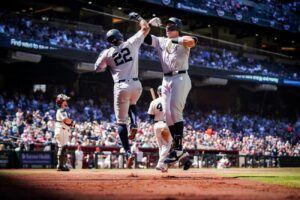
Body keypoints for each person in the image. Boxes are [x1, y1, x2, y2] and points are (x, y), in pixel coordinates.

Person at [94, 17, 150, 168]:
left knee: (120, 122)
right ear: (119, 36)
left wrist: (107, 64)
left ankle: (126, 152)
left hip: (121, 85)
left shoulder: (107, 52)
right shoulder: (131, 43)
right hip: (136, 84)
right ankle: (135, 123)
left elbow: (97, 68)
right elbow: (146, 28)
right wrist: (139, 18)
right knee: (133, 103)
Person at [144, 15, 197, 170]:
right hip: (166, 79)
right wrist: (147, 24)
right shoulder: (161, 40)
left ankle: (178, 148)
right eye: (167, 26)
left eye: (172, 26)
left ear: (177, 29)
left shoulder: (181, 39)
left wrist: (174, 40)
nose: (168, 28)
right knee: (167, 117)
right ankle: (179, 151)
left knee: (175, 111)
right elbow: (145, 38)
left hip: (180, 77)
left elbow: (192, 42)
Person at [148, 86, 172, 172]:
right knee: (166, 145)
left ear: (158, 93)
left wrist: (157, 114)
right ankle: (160, 163)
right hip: (166, 124)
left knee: (161, 147)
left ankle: (163, 167)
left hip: (156, 125)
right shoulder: (169, 101)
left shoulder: (153, 102)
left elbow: (150, 116)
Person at [54, 94, 74, 171]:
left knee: (63, 148)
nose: (66, 102)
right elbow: (66, 120)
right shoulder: (61, 110)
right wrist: (74, 125)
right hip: (61, 129)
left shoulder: (63, 110)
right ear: (61, 102)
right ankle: (60, 166)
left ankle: (62, 165)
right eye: (65, 100)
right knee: (62, 147)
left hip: (64, 129)